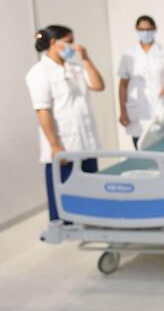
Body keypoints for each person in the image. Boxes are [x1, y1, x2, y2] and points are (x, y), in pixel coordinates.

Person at [26, 25, 105, 221]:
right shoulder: (39, 72)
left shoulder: (75, 68)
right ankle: (65, 225)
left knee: (89, 190)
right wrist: (54, 145)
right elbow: (42, 110)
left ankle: (90, 220)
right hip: (64, 145)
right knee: (65, 193)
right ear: (54, 42)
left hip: (86, 142)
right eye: (69, 42)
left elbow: (98, 85)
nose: (73, 46)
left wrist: (85, 58)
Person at [117, 15, 164, 149]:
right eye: (142, 29)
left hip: (161, 106)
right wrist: (122, 111)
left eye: (149, 29)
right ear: (136, 30)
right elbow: (123, 84)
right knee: (141, 149)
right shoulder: (129, 55)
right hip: (138, 112)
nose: (145, 33)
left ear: (155, 29)